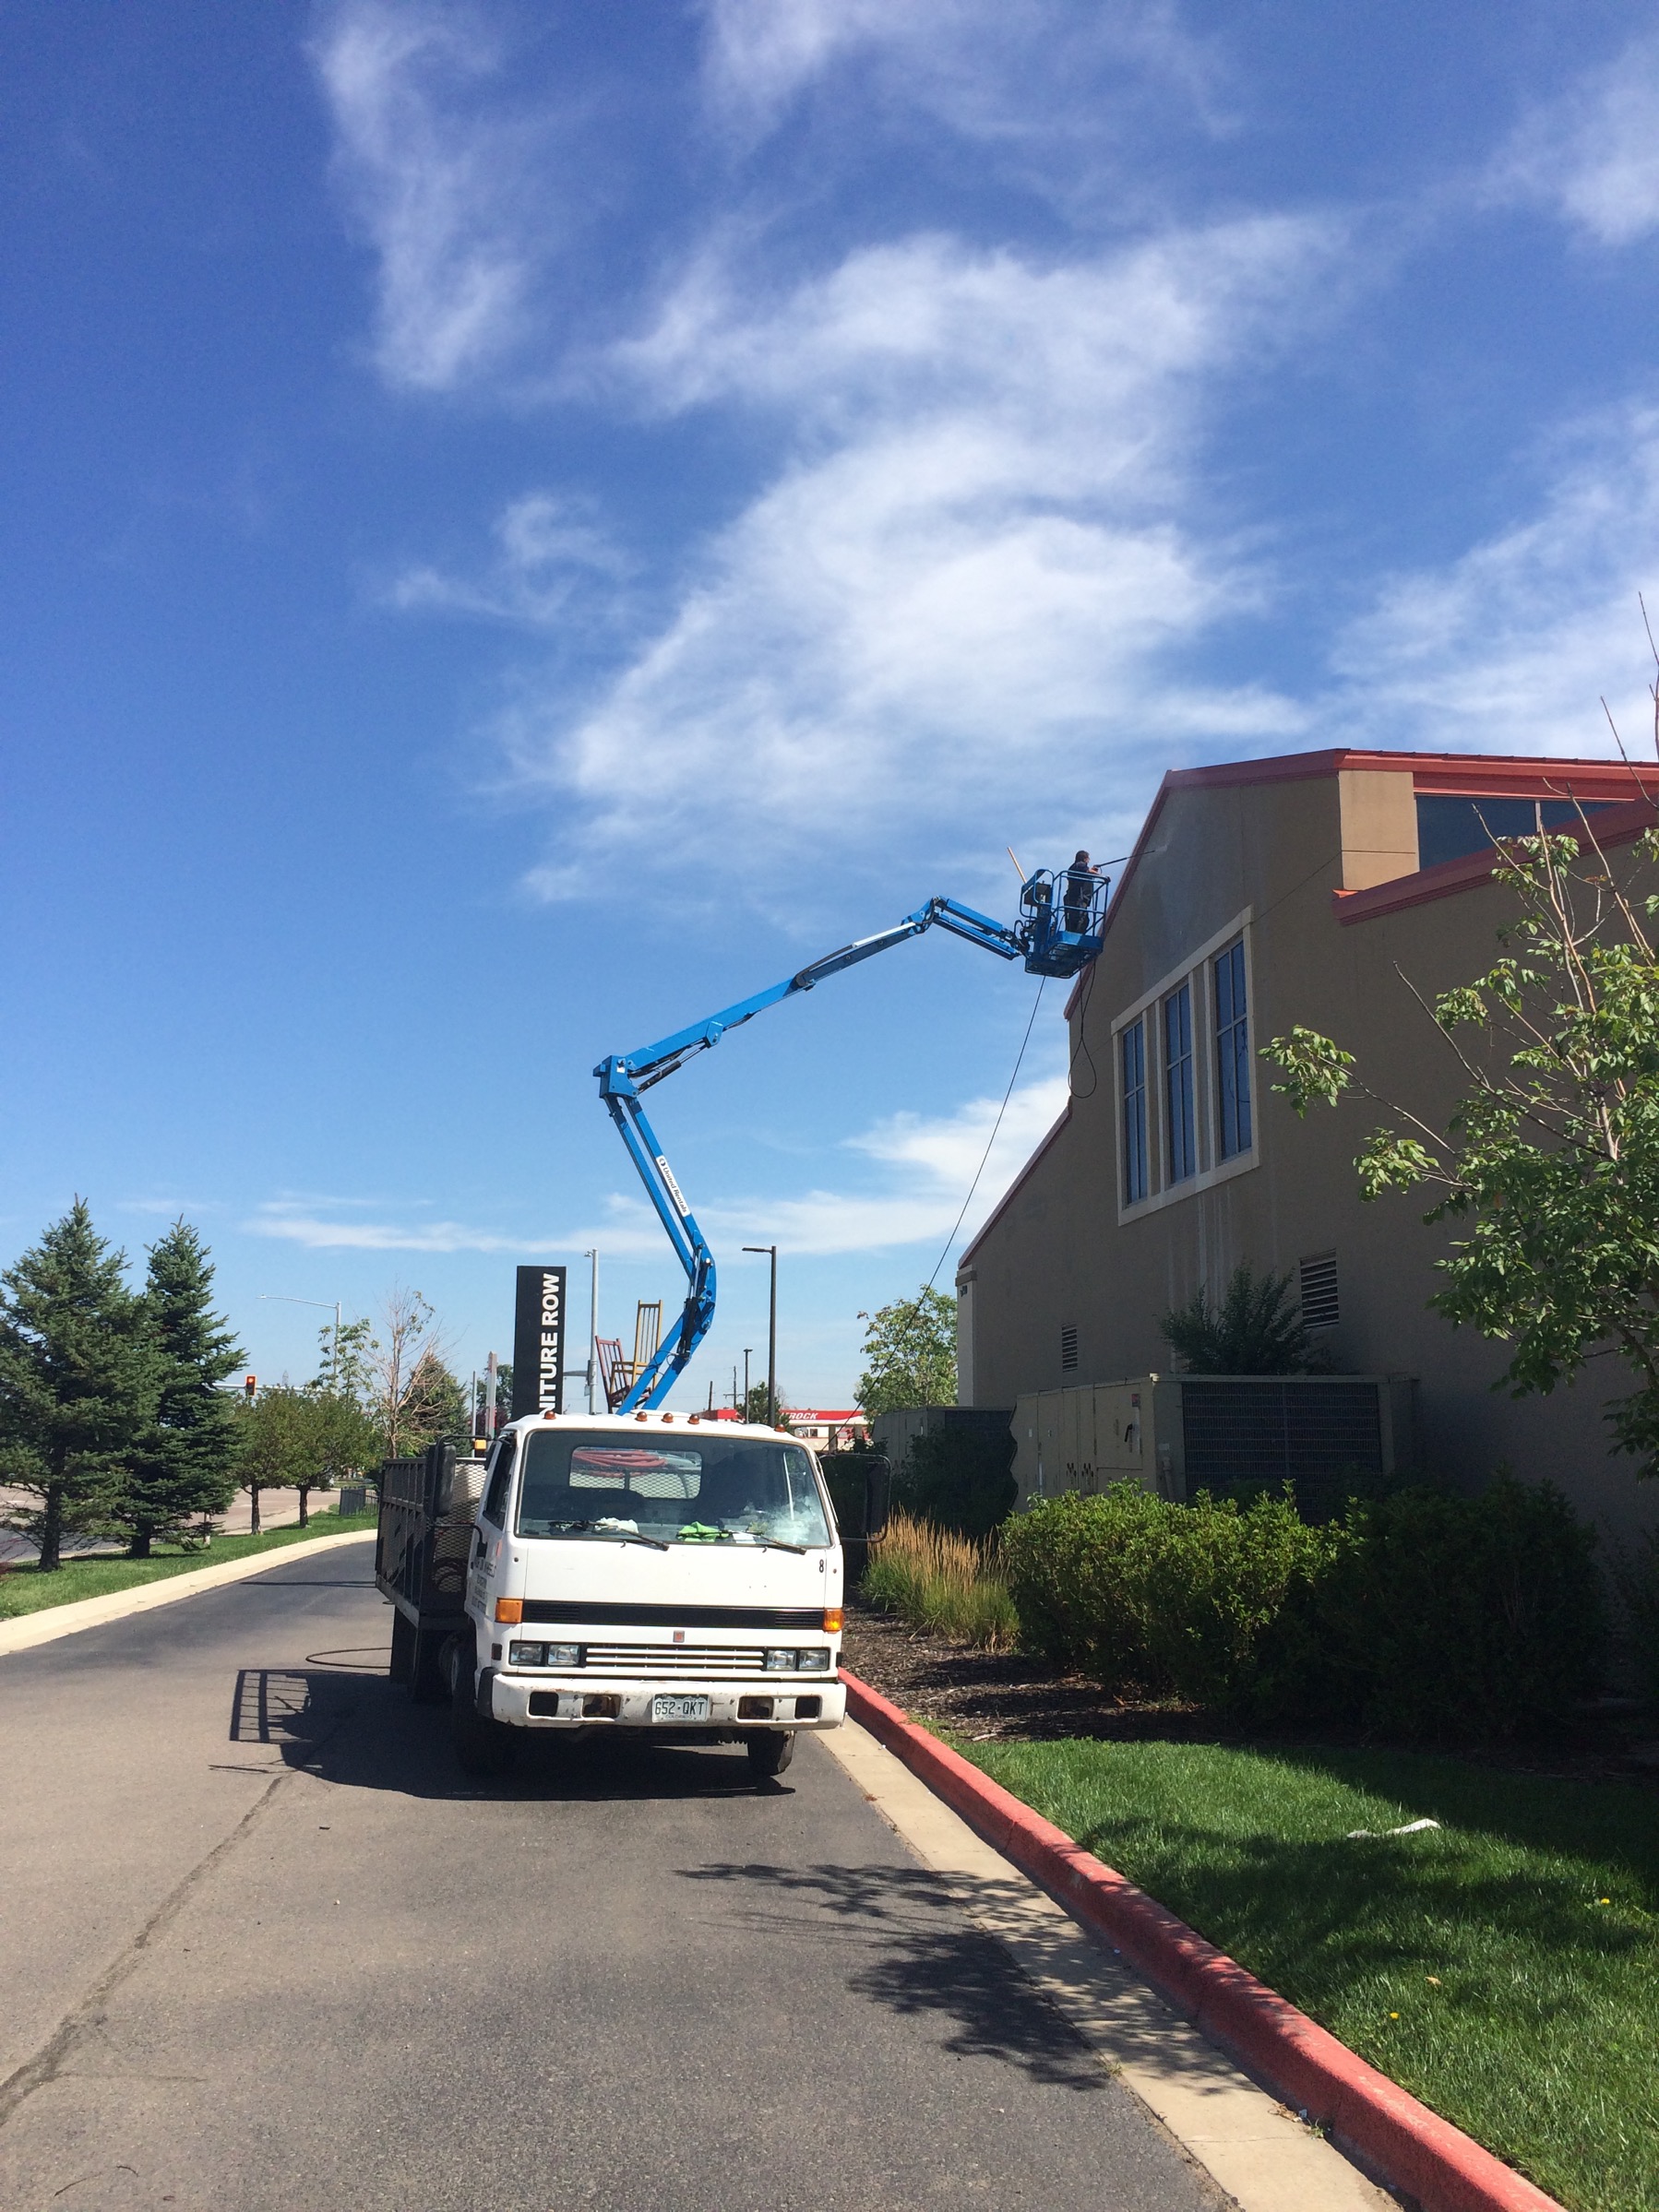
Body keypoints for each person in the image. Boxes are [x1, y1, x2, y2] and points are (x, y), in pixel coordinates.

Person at [1064, 850, 1099, 934]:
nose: (1089, 860)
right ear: (1084, 859)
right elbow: (1087, 871)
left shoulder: (1074, 867)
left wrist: (1091, 871)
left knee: (1073, 920)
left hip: (1072, 898)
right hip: (1078, 898)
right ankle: (1076, 935)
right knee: (1082, 920)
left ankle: (1072, 933)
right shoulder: (1080, 865)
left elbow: (1086, 872)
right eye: (1088, 858)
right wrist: (1102, 876)